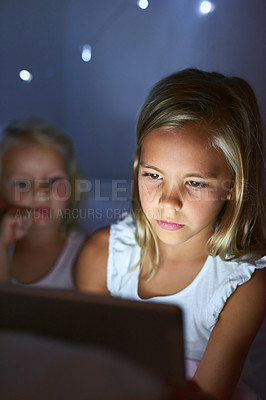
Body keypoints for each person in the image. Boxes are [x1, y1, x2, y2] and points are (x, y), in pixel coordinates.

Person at [75, 69, 266, 400]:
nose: (168, 201)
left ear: (233, 186)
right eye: (153, 175)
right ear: (138, 167)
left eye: (194, 182)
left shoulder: (244, 286)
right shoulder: (102, 256)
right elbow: (88, 370)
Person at [0, 118, 87, 289]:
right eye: (23, 184)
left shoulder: (87, 253)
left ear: (72, 187)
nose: (41, 192)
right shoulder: (2, 246)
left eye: (54, 180)